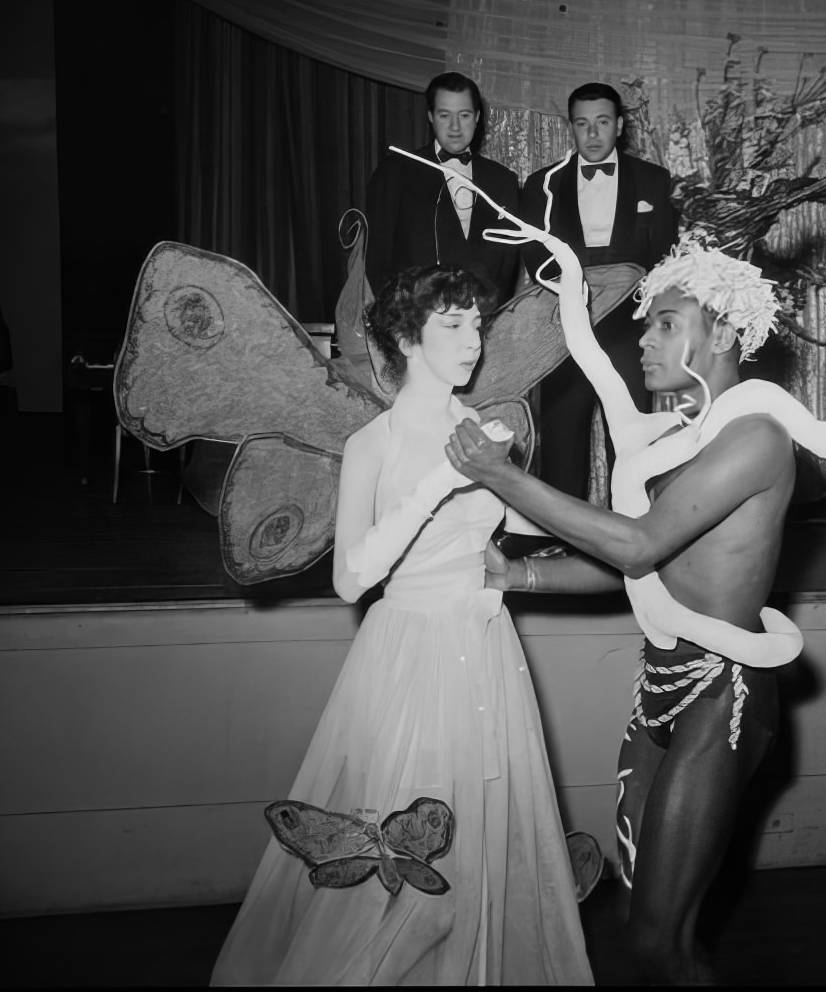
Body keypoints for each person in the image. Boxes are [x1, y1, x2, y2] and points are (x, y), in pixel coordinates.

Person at [211, 265, 594, 986]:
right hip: (409, 653)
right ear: (408, 338)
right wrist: (433, 487)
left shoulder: (487, 433)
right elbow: (351, 578)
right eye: (453, 325)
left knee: (477, 840)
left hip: (483, 647)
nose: (474, 340)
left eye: (477, 323)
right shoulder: (373, 445)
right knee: (403, 851)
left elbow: (523, 526)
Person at [444, 234, 799, 984]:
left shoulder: (757, 437)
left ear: (725, 335)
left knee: (654, 945)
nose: (644, 336)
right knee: (638, 920)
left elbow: (636, 545)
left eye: (666, 322)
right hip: (661, 689)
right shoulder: (679, 436)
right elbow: (639, 569)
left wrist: (502, 478)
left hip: (721, 696)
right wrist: (517, 575)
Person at [519, 81, 679, 500]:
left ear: (620, 125)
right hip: (564, 333)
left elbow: (666, 257)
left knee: (629, 440)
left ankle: (629, 532)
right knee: (563, 436)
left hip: (630, 334)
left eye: (602, 122)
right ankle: (563, 541)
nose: (592, 135)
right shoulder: (541, 186)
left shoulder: (654, 181)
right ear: (571, 127)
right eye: (582, 124)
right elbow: (535, 258)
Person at [363, 72, 522, 301]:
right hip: (416, 319)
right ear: (431, 116)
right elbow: (378, 257)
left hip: (479, 318)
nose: (455, 126)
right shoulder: (396, 170)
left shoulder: (502, 179)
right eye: (445, 115)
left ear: (477, 117)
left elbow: (507, 267)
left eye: (464, 115)